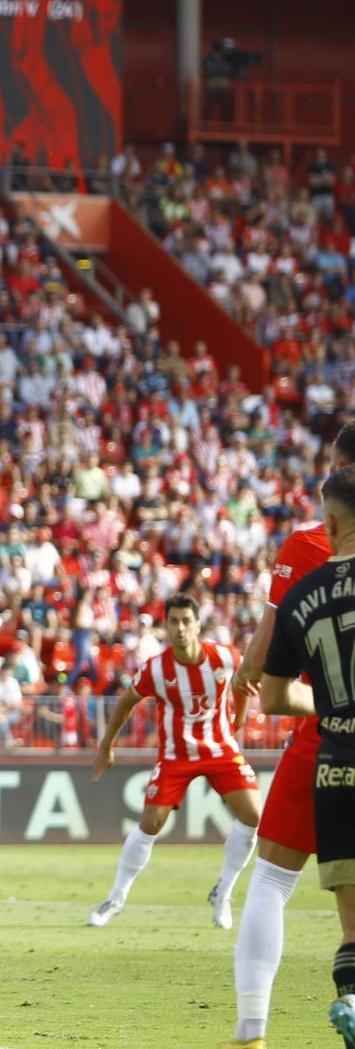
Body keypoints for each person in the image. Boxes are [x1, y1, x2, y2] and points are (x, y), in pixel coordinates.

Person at [223, 423, 354, 1048]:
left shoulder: (306, 546)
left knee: (273, 880)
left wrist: (243, 682)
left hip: (323, 733)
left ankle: (252, 1027)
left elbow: (263, 656)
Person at [86, 593, 260, 929]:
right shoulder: (156, 668)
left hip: (220, 749)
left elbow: (244, 680)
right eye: (174, 622)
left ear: (197, 625)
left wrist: (239, 717)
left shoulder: (224, 656)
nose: (180, 628)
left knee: (253, 815)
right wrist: (106, 745)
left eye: (186, 621)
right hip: (175, 755)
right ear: (166, 626)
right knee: (151, 823)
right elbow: (126, 702)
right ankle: (116, 898)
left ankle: (223, 891)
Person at [258, 464, 355, 1049]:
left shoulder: (302, 595)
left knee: (350, 922)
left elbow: (271, 697)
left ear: (332, 522)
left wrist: (334, 700)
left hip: (336, 762)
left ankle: (352, 1001)